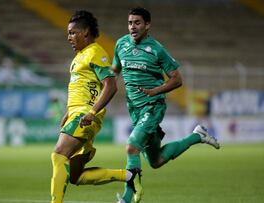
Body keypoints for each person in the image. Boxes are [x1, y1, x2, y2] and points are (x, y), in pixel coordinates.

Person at [112, 7, 221, 203]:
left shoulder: (156, 49)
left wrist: (155, 91)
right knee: (156, 161)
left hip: (153, 106)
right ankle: (197, 136)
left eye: (137, 23)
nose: (132, 27)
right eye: (130, 23)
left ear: (147, 25)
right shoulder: (121, 44)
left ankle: (127, 199)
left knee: (131, 147)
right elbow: (114, 71)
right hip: (134, 109)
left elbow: (177, 80)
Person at [50, 10, 140, 203]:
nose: (69, 37)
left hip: (84, 116)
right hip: (77, 114)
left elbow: (111, 85)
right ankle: (129, 176)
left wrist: (91, 112)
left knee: (59, 155)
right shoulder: (79, 57)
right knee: (75, 177)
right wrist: (68, 112)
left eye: (73, 32)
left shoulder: (95, 53)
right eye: (68, 33)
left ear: (86, 32)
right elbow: (84, 88)